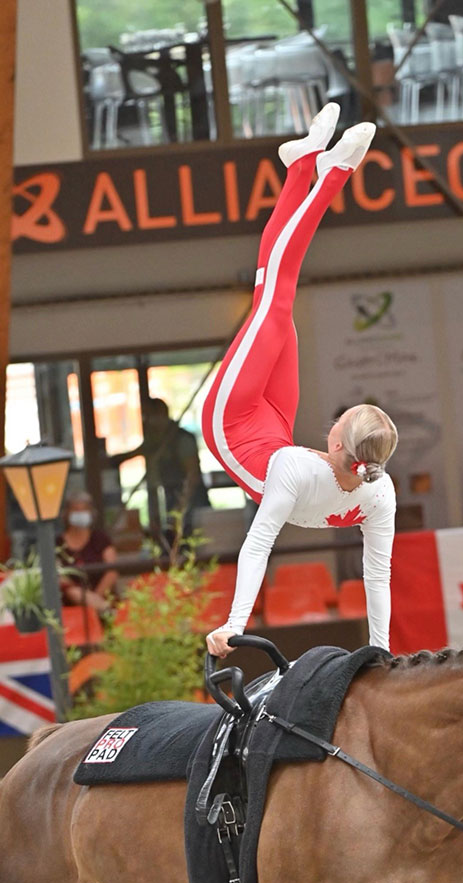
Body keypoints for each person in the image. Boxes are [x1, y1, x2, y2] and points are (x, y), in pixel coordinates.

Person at [202, 104, 398, 656]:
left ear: (336, 440)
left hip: (232, 424)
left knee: (278, 291)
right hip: (274, 426)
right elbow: (376, 576)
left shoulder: (297, 467)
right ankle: (298, 163)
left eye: (337, 421)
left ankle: (329, 171)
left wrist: (234, 623)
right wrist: (380, 652)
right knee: (274, 288)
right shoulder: (378, 491)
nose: (332, 421)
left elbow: (258, 544)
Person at [111, 397, 211, 539]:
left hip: (191, 503)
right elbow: (136, 452)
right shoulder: (155, 440)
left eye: (149, 416)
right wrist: (110, 461)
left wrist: (181, 506)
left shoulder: (182, 439)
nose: (146, 421)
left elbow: (192, 475)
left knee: (193, 540)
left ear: (160, 415)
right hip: (169, 500)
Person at [57, 492, 118, 615]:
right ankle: (104, 610)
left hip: (102, 598)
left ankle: (102, 609)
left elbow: (112, 571)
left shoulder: (101, 539)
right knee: (73, 591)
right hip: (72, 604)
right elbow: (58, 576)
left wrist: (94, 598)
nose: (80, 514)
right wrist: (84, 597)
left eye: (84, 509)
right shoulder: (58, 543)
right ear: (67, 513)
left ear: (91, 513)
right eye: (76, 509)